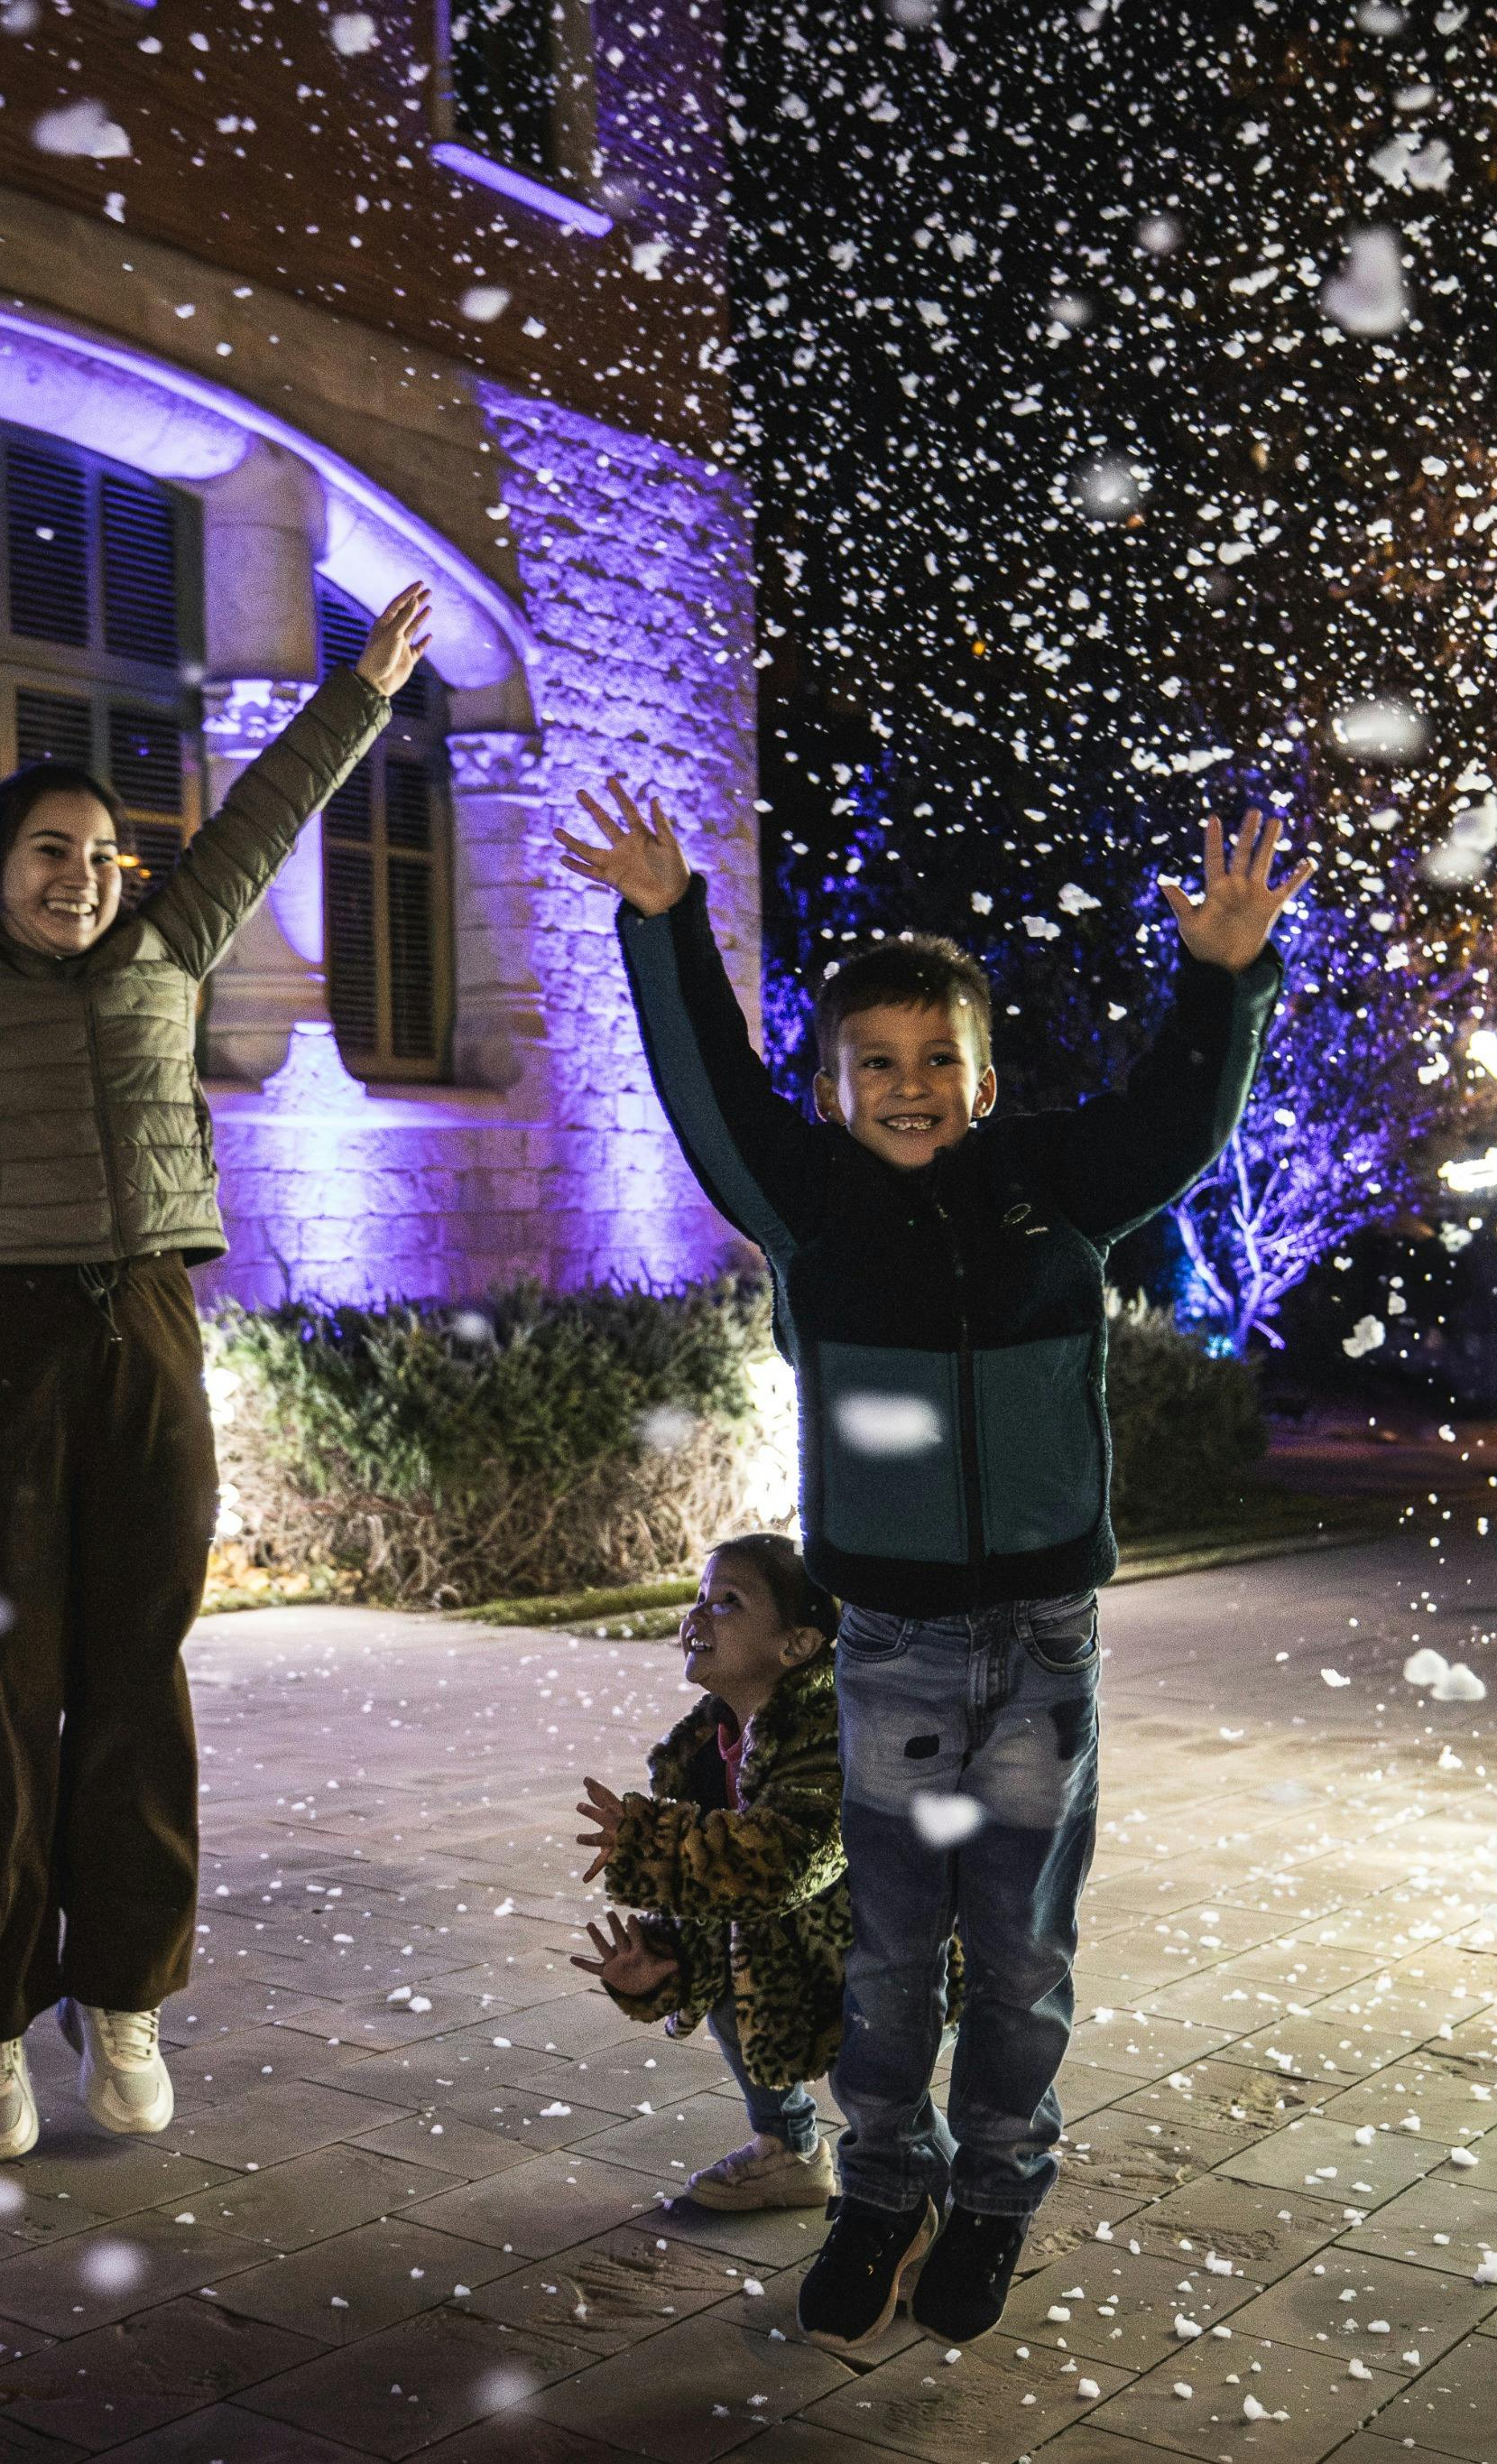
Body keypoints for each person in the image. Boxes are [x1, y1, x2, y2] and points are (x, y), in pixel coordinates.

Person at [0, 470, 431, 2163]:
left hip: (147, 1335)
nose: (89, 877)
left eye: (107, 856)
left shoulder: (169, 946)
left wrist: (361, 694)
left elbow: (263, 815)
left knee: (136, 1680)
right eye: (55, 852)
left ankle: (123, 1998)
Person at [555, 783, 1302, 2349]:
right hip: (888, 1644)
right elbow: (706, 1102)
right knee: (891, 1952)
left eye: (938, 1061)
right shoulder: (811, 1211)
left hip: (1038, 1644)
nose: (910, 1089)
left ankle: (998, 2196)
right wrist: (665, 927)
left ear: (982, 1072)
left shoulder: (1051, 1191)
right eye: (875, 1066)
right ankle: (882, 2184)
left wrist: (1223, 980)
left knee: (1020, 1956)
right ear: (829, 1089)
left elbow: (1177, 1119)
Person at [568, 1533, 853, 2213]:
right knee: (735, 1963)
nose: (696, 1617)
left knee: (875, 2083)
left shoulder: (829, 1731)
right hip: (781, 1948)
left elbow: (784, 1862)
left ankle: (911, 2181)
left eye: (728, 1603)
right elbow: (712, 1890)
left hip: (870, 1953)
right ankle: (788, 2150)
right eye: (699, 1598)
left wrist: (654, 1844)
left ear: (798, 1644)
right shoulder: (698, 1749)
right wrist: (659, 1965)